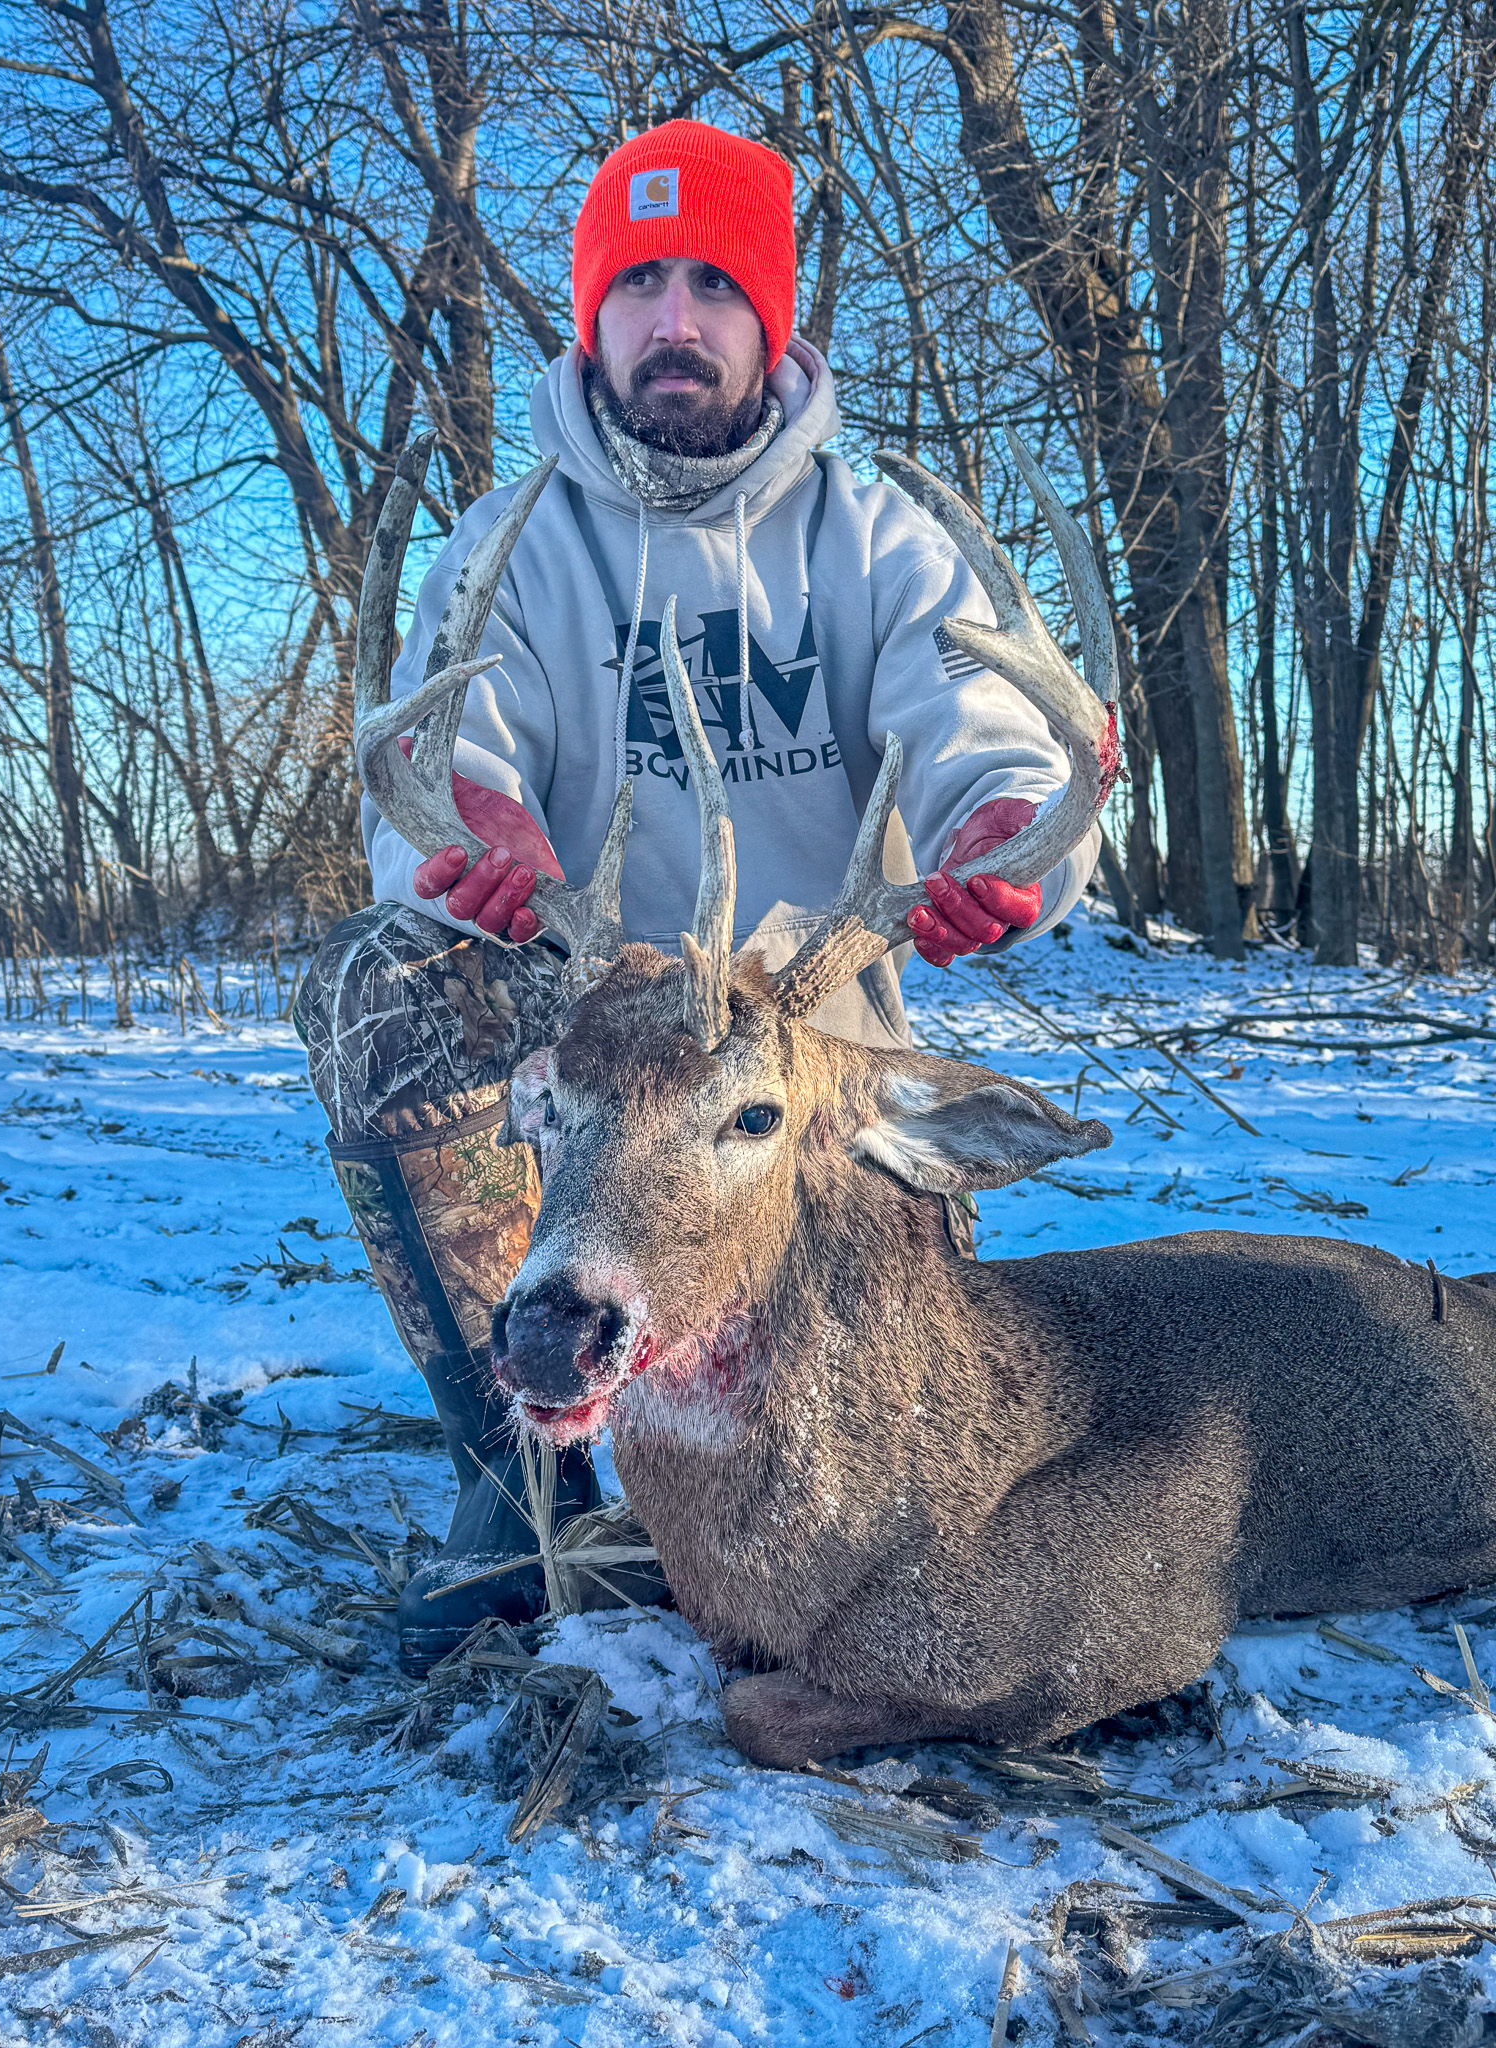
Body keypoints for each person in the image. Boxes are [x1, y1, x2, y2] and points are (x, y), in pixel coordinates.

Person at [298, 119, 1101, 1675]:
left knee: (874, 1442)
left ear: (773, 319)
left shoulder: (877, 541)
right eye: (638, 284)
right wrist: (479, 836)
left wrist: (1008, 832)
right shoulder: (513, 549)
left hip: (799, 1059)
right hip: (589, 1024)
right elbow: (450, 747)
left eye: (716, 287)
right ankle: (530, 1470)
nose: (676, 323)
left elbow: (977, 734)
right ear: (590, 319)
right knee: (374, 978)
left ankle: (804, 1477)